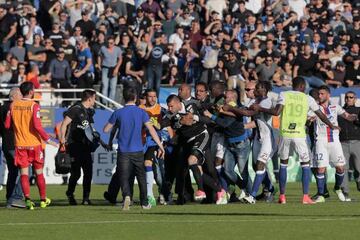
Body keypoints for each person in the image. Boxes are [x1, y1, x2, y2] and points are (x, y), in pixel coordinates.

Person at [250, 77, 338, 204]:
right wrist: (331, 125)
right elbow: (320, 114)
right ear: (302, 86)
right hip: (299, 135)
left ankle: (282, 196)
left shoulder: (284, 94)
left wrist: (260, 108)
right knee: (305, 164)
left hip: (285, 134)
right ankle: (305, 196)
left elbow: (276, 112)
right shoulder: (308, 98)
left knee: (283, 164)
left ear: (293, 85)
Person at [103, 87, 165, 210]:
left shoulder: (118, 113)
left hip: (123, 151)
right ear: (136, 98)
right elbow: (152, 130)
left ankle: (127, 196)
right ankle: (144, 202)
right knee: (141, 176)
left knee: (124, 176)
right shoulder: (141, 112)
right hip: (138, 150)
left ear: (123, 98)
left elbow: (106, 129)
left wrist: (114, 129)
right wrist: (160, 145)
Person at [163, 94, 227, 204]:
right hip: (190, 143)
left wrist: (195, 117)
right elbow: (169, 125)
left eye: (171, 106)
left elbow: (208, 120)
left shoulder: (192, 106)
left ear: (178, 103)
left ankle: (201, 191)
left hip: (201, 136)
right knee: (198, 170)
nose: (169, 109)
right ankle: (220, 191)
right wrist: (181, 122)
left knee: (194, 161)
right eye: (168, 107)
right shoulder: (171, 116)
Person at [5, 82, 57, 210]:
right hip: (34, 144)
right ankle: (43, 200)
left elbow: (7, 126)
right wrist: (48, 139)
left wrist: (18, 128)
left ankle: (27, 200)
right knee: (39, 173)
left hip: (20, 145)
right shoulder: (34, 106)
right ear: (31, 91)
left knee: (23, 174)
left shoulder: (13, 105)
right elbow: (37, 126)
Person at [311, 86, 356, 203]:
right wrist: (308, 119)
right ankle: (321, 195)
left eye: (322, 94)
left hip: (334, 141)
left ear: (328, 95)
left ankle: (337, 188)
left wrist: (354, 117)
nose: (319, 96)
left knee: (340, 168)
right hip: (320, 141)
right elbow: (308, 119)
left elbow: (348, 116)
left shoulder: (335, 107)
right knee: (321, 169)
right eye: (318, 94)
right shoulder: (314, 108)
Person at [59, 89, 97, 205]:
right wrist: (62, 139)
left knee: (88, 172)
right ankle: (70, 193)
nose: (95, 101)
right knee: (76, 174)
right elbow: (64, 124)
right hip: (74, 146)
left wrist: (96, 139)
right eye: (94, 98)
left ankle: (86, 198)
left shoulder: (89, 112)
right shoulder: (75, 109)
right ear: (89, 99)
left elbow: (90, 128)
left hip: (86, 146)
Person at [139, 89, 166, 206]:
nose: (152, 99)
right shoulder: (140, 108)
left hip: (153, 143)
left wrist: (153, 123)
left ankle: (156, 194)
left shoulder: (160, 110)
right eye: (150, 96)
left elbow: (162, 126)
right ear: (146, 97)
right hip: (141, 142)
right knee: (144, 169)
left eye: (154, 96)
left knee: (150, 166)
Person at [0, 87, 25, 208]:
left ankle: (9, 198)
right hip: (16, 144)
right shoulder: (14, 108)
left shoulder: (2, 108)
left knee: (13, 172)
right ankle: (16, 197)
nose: (22, 98)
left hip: (6, 144)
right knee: (25, 170)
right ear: (14, 96)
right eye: (20, 95)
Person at [338, 91, 360, 198]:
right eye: (346, 97)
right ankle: (345, 191)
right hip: (342, 143)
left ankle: (358, 181)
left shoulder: (359, 110)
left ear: (355, 99)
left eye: (351, 97)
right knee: (343, 168)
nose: (348, 99)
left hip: (357, 142)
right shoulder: (340, 111)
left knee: (358, 168)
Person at [98, 36, 122, 104]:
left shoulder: (117, 49)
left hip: (114, 68)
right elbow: (99, 56)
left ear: (114, 43)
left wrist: (117, 68)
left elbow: (120, 59)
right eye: (108, 43)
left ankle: (111, 103)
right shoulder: (103, 48)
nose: (109, 44)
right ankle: (104, 103)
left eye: (111, 43)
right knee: (104, 86)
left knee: (113, 87)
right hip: (105, 68)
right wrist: (99, 65)